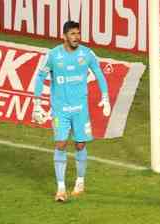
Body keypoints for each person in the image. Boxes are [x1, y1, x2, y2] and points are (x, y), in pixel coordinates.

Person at [32, 20, 110, 202]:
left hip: (80, 110)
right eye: (73, 34)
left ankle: (80, 182)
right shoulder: (53, 55)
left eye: (78, 34)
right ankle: (60, 189)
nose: (76, 37)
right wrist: (37, 103)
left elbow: (99, 73)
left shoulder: (87, 54)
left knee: (80, 145)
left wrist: (105, 97)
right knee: (60, 144)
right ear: (64, 36)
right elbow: (40, 75)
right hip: (60, 110)